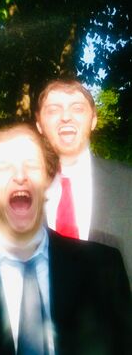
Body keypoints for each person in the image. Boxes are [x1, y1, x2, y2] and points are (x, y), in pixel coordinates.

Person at [0, 123, 131, 355]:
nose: (20, 176)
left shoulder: (103, 266)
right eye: (4, 167)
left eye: (31, 165)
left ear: (49, 183)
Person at [35, 78, 132, 285]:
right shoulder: (19, 189)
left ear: (94, 119)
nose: (66, 117)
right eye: (53, 110)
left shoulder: (128, 183)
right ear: (39, 124)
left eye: (77, 108)